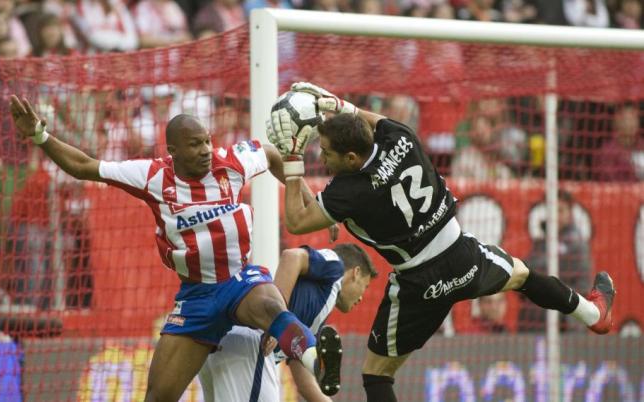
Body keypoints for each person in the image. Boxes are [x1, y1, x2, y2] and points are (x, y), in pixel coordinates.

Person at [266, 82, 617, 402]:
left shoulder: (348, 191)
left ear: (352, 159)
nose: (322, 158)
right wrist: (339, 104)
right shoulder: (400, 137)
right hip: (461, 255)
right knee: (524, 276)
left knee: (376, 375)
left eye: (326, 152)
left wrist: (294, 157)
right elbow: (371, 121)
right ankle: (594, 314)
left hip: (419, 284)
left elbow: (297, 221)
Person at [8, 94, 342, 401]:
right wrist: (40, 136)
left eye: (207, 142)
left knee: (271, 307)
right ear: (174, 151)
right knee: (158, 395)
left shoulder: (232, 162)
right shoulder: (152, 176)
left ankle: (319, 362)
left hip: (238, 281)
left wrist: (313, 207)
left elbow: (270, 154)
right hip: (196, 297)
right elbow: (83, 166)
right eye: (195, 145)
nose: (206, 150)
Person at [199, 243, 377, 402]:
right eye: (365, 286)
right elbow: (292, 256)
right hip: (252, 345)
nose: (361, 297)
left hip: (223, 344)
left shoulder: (315, 315)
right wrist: (277, 320)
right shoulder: (335, 266)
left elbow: (302, 375)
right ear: (356, 272)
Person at [519, 190, 593, 332]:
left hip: (567, 319)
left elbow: (583, 287)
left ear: (570, 213)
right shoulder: (541, 243)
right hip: (540, 316)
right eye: (551, 210)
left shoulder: (577, 244)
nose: (555, 216)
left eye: (560, 210)